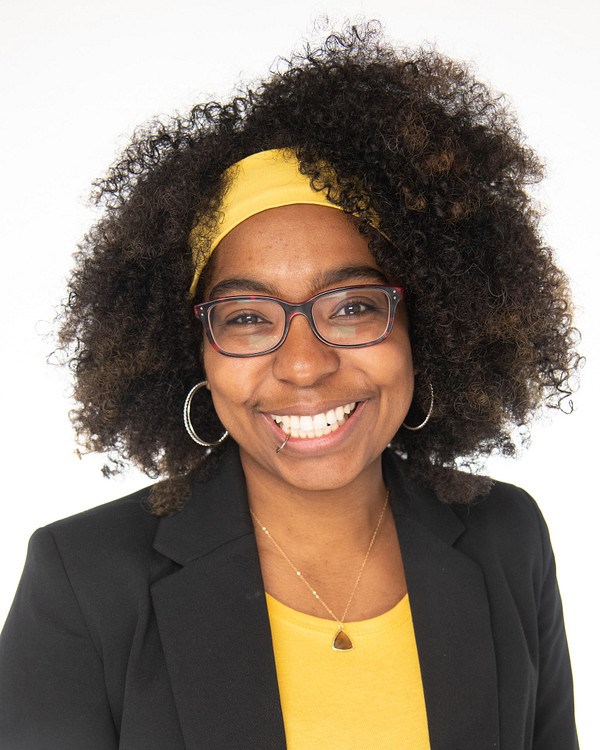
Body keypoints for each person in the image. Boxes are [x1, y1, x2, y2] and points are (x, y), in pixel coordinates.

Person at [0, 22, 579, 749]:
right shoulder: (85, 582)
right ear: (195, 352)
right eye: (246, 318)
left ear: (424, 325)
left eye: (353, 307)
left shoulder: (506, 538)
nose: (304, 365)